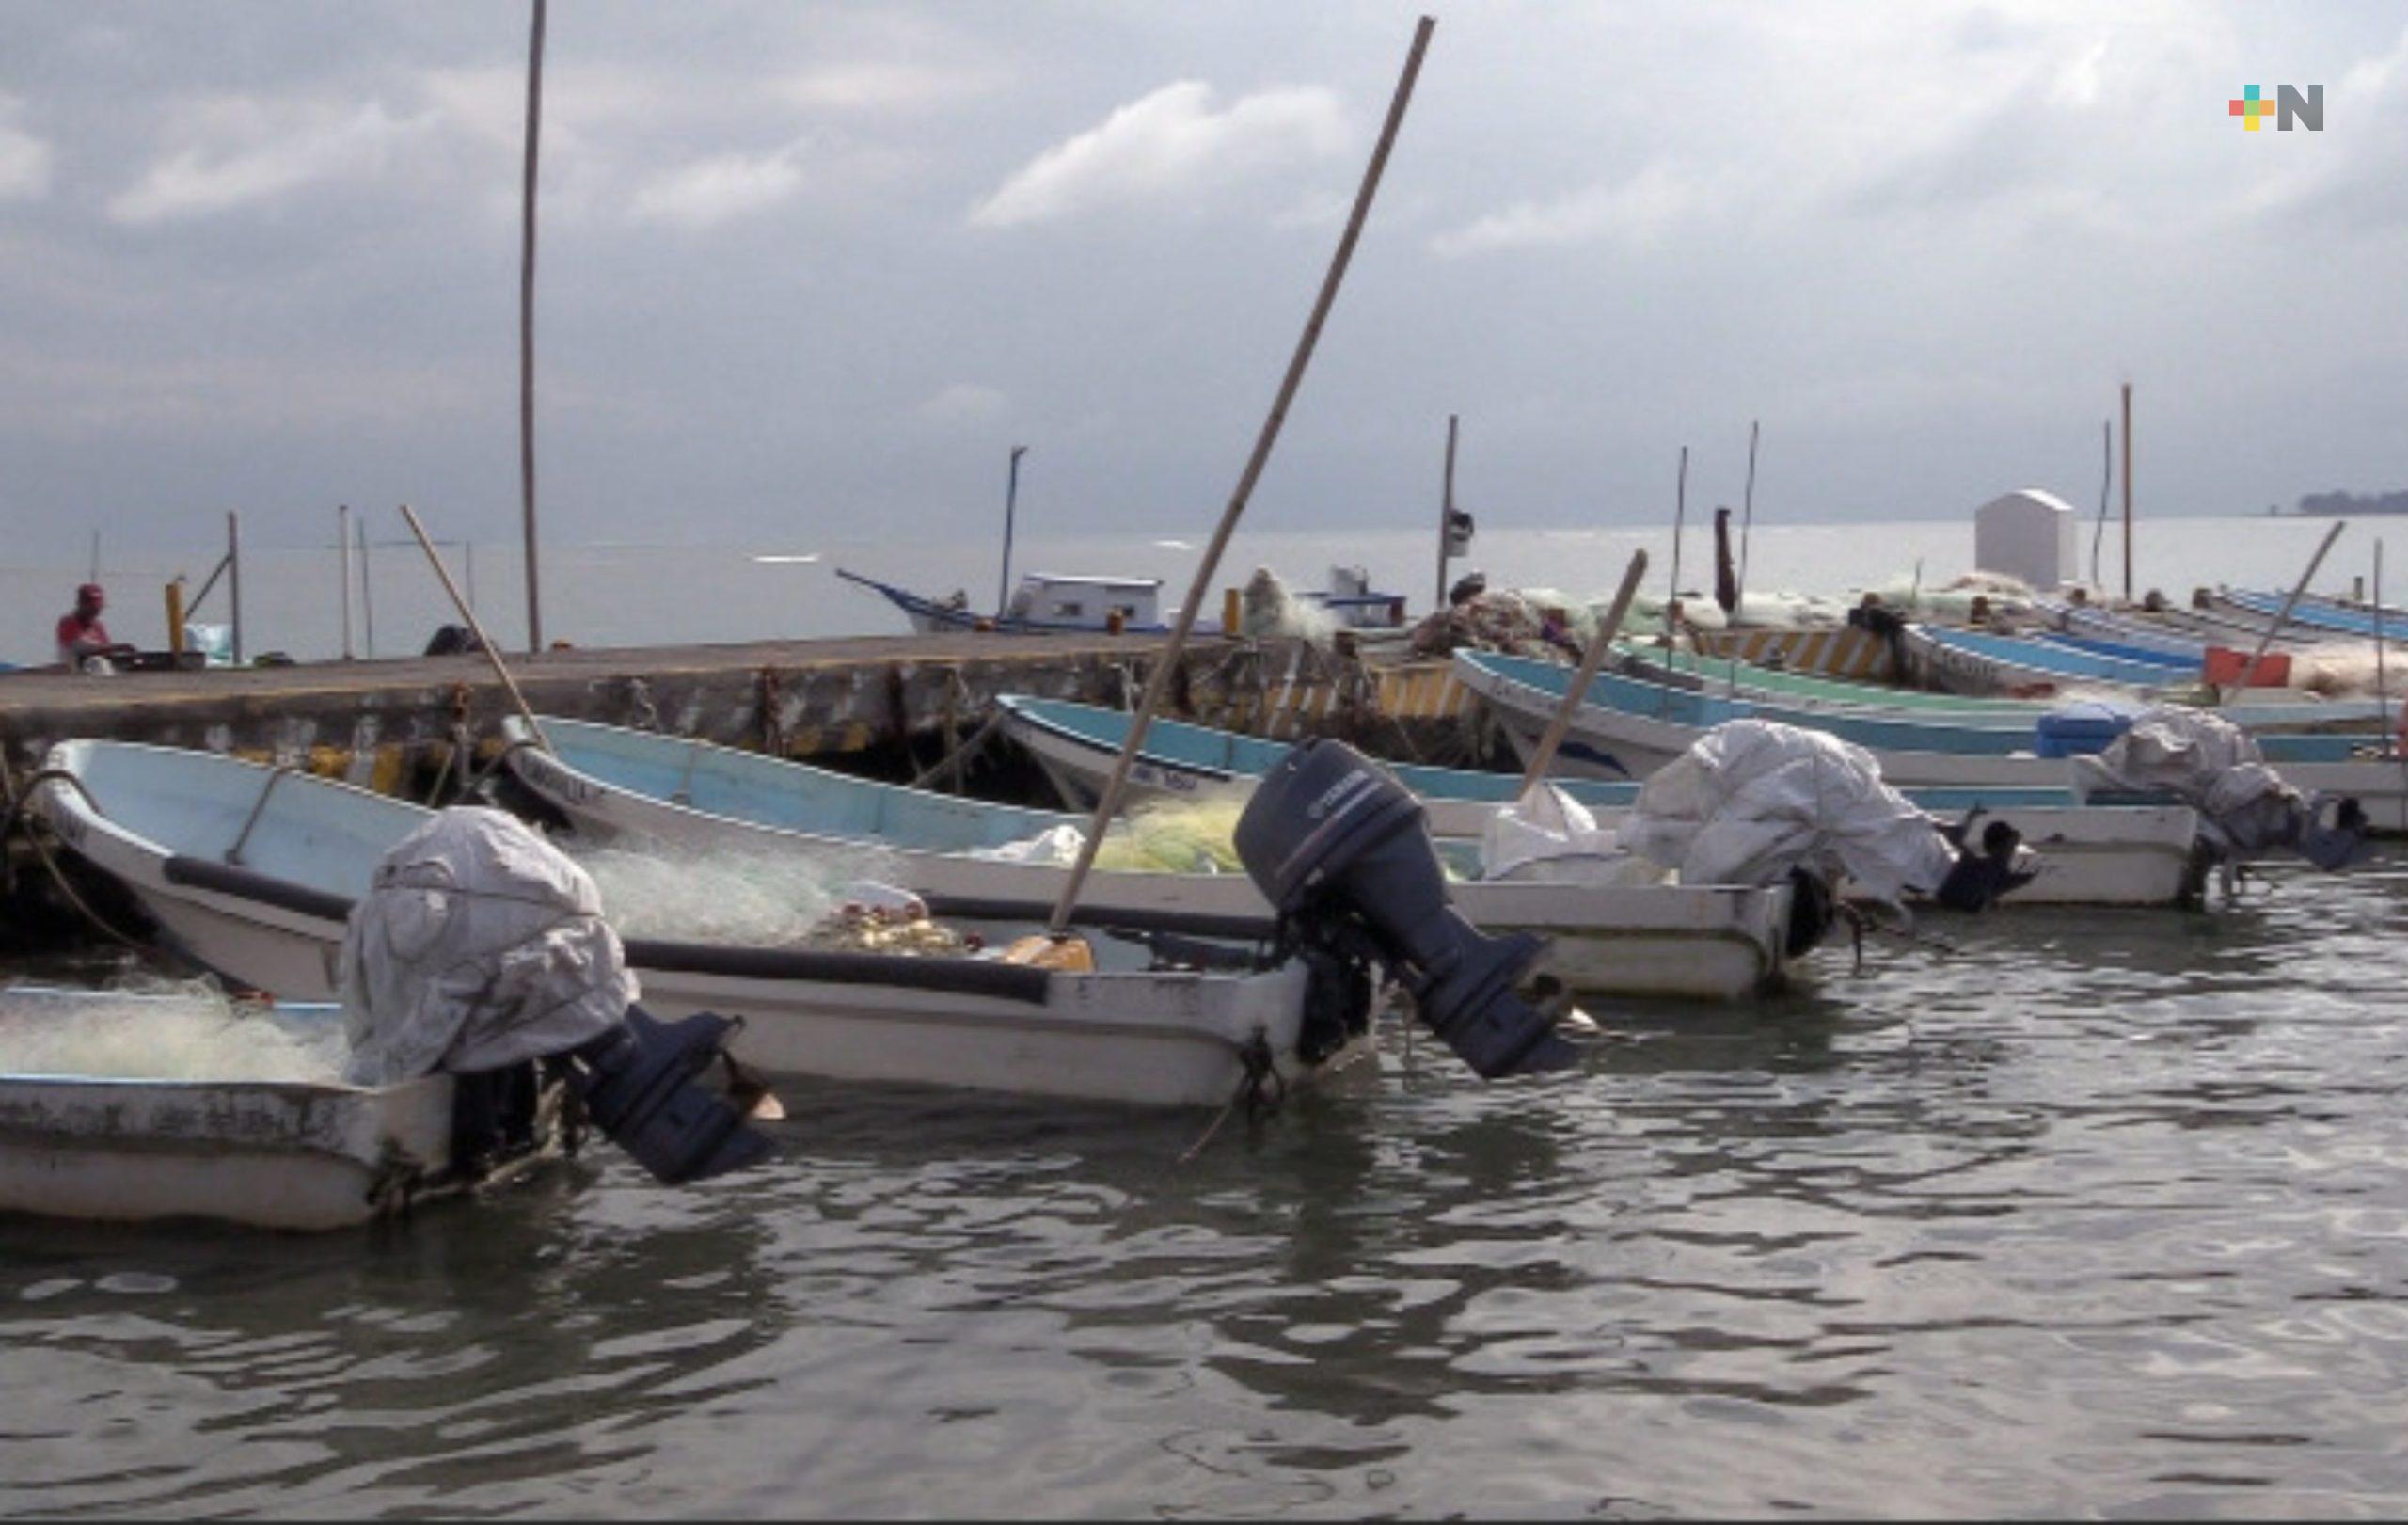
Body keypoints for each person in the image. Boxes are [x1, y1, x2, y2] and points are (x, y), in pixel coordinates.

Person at [55, 583, 121, 669]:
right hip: (74, 669)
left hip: (100, 671)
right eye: (91, 608)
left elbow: (106, 648)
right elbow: (81, 647)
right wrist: (115, 648)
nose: (95, 613)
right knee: (97, 663)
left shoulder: (97, 626)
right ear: (80, 605)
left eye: (97, 609)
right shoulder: (67, 623)